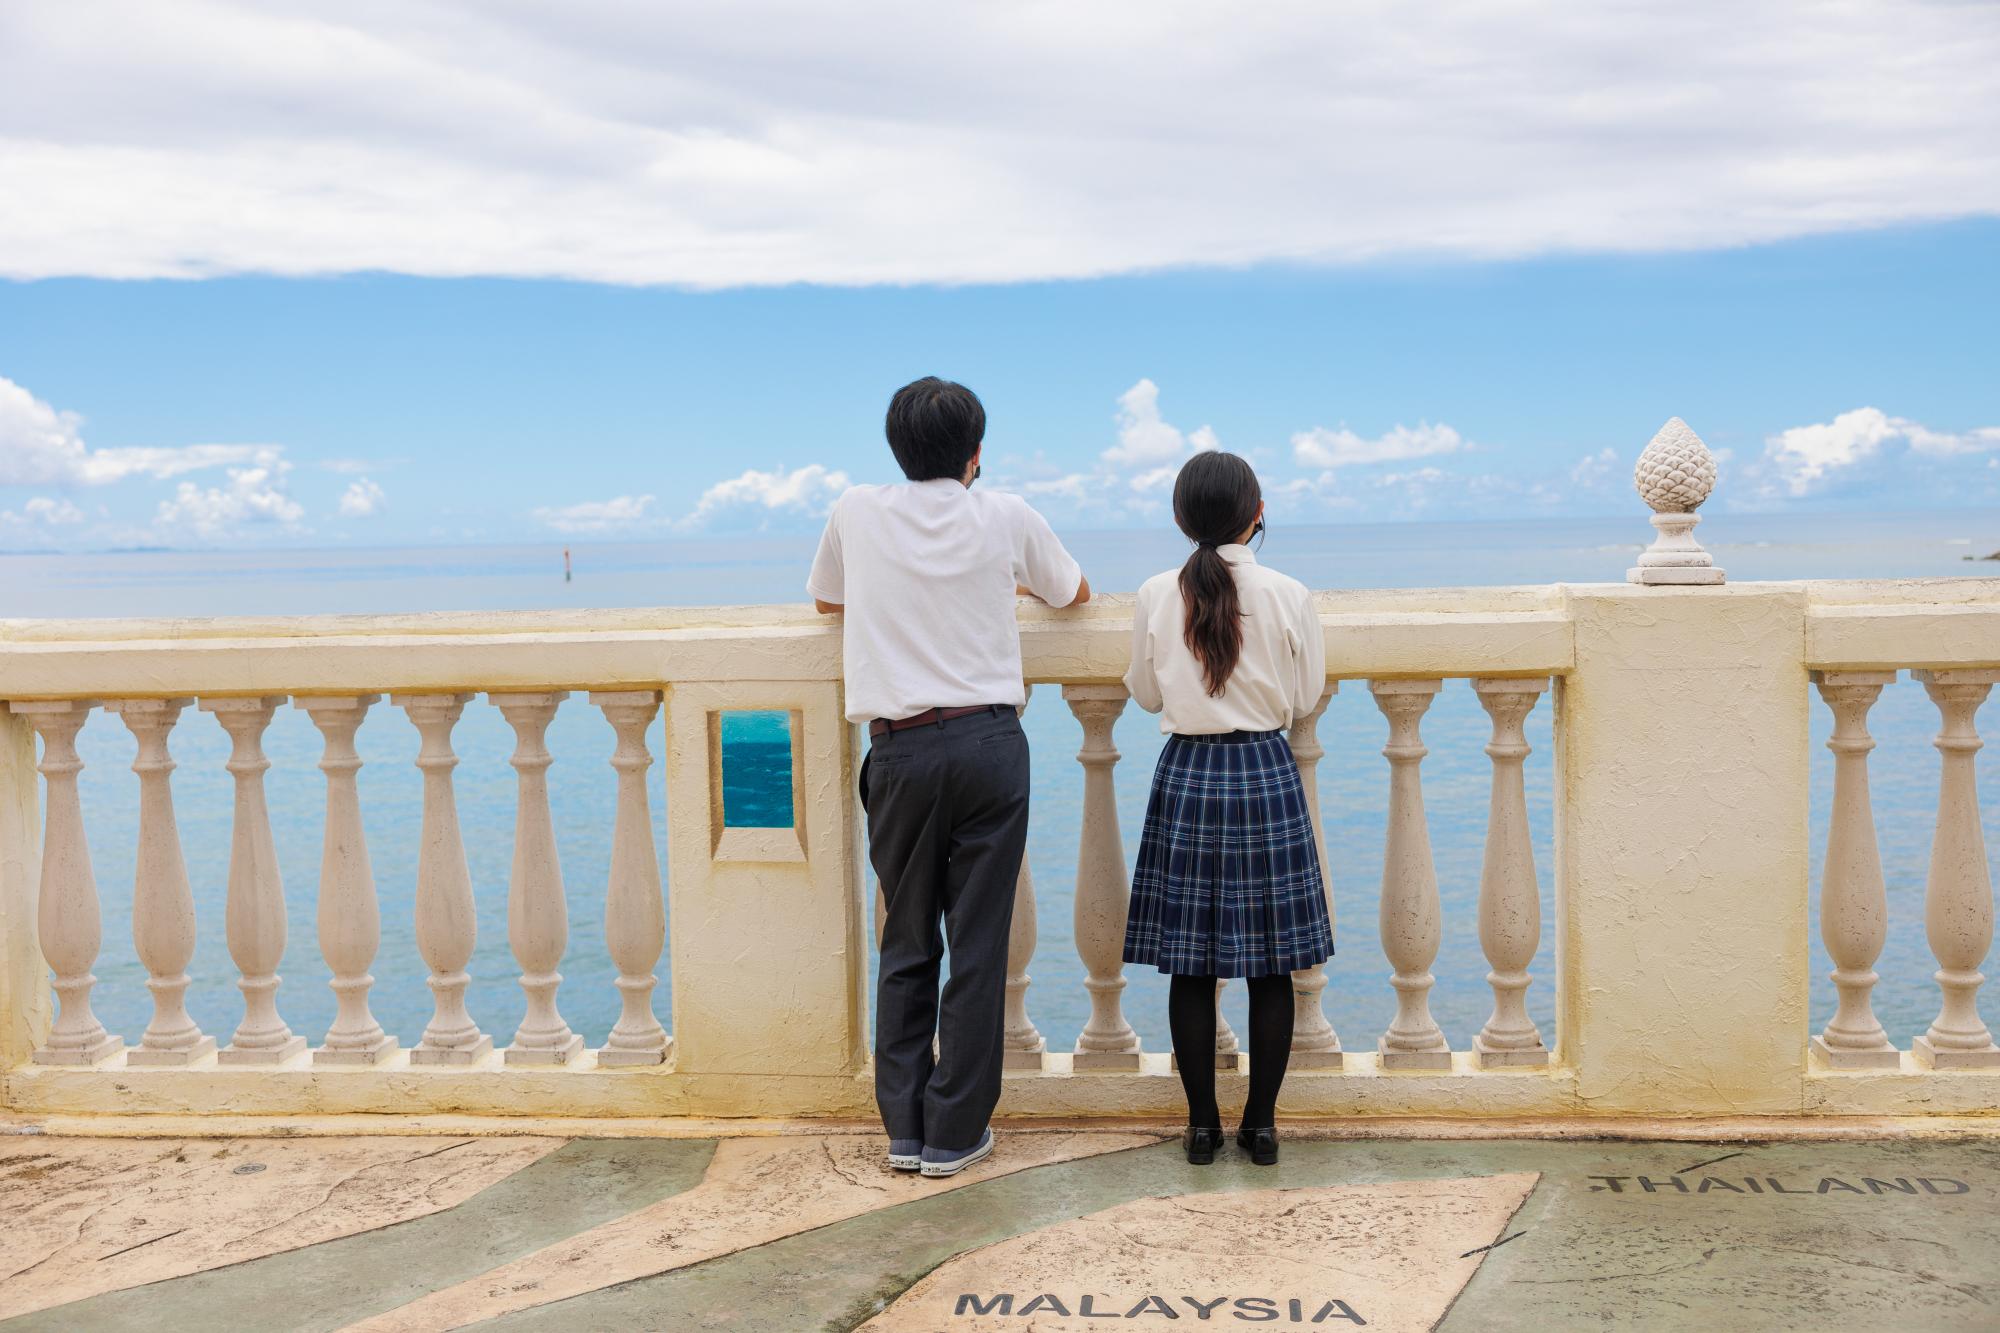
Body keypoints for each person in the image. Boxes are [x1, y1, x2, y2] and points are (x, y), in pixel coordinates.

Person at [809, 376, 1090, 1178]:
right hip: (989, 744)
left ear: (897, 450)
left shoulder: (855, 512)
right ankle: (956, 1130)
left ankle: (903, 1126)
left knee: (906, 939)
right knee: (977, 943)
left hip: (899, 747)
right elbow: (1074, 594)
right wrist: (1009, 583)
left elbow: (828, 601)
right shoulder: (1005, 513)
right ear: (976, 453)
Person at [1122, 450, 1331, 1166]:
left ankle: (1202, 1126)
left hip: (1188, 774)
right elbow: (1304, 698)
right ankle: (1263, 1126)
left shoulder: (1156, 592)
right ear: (1257, 512)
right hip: (1265, 772)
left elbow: (1146, 695)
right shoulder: (1289, 591)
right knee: (1272, 963)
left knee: (1191, 965)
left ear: (1182, 519)